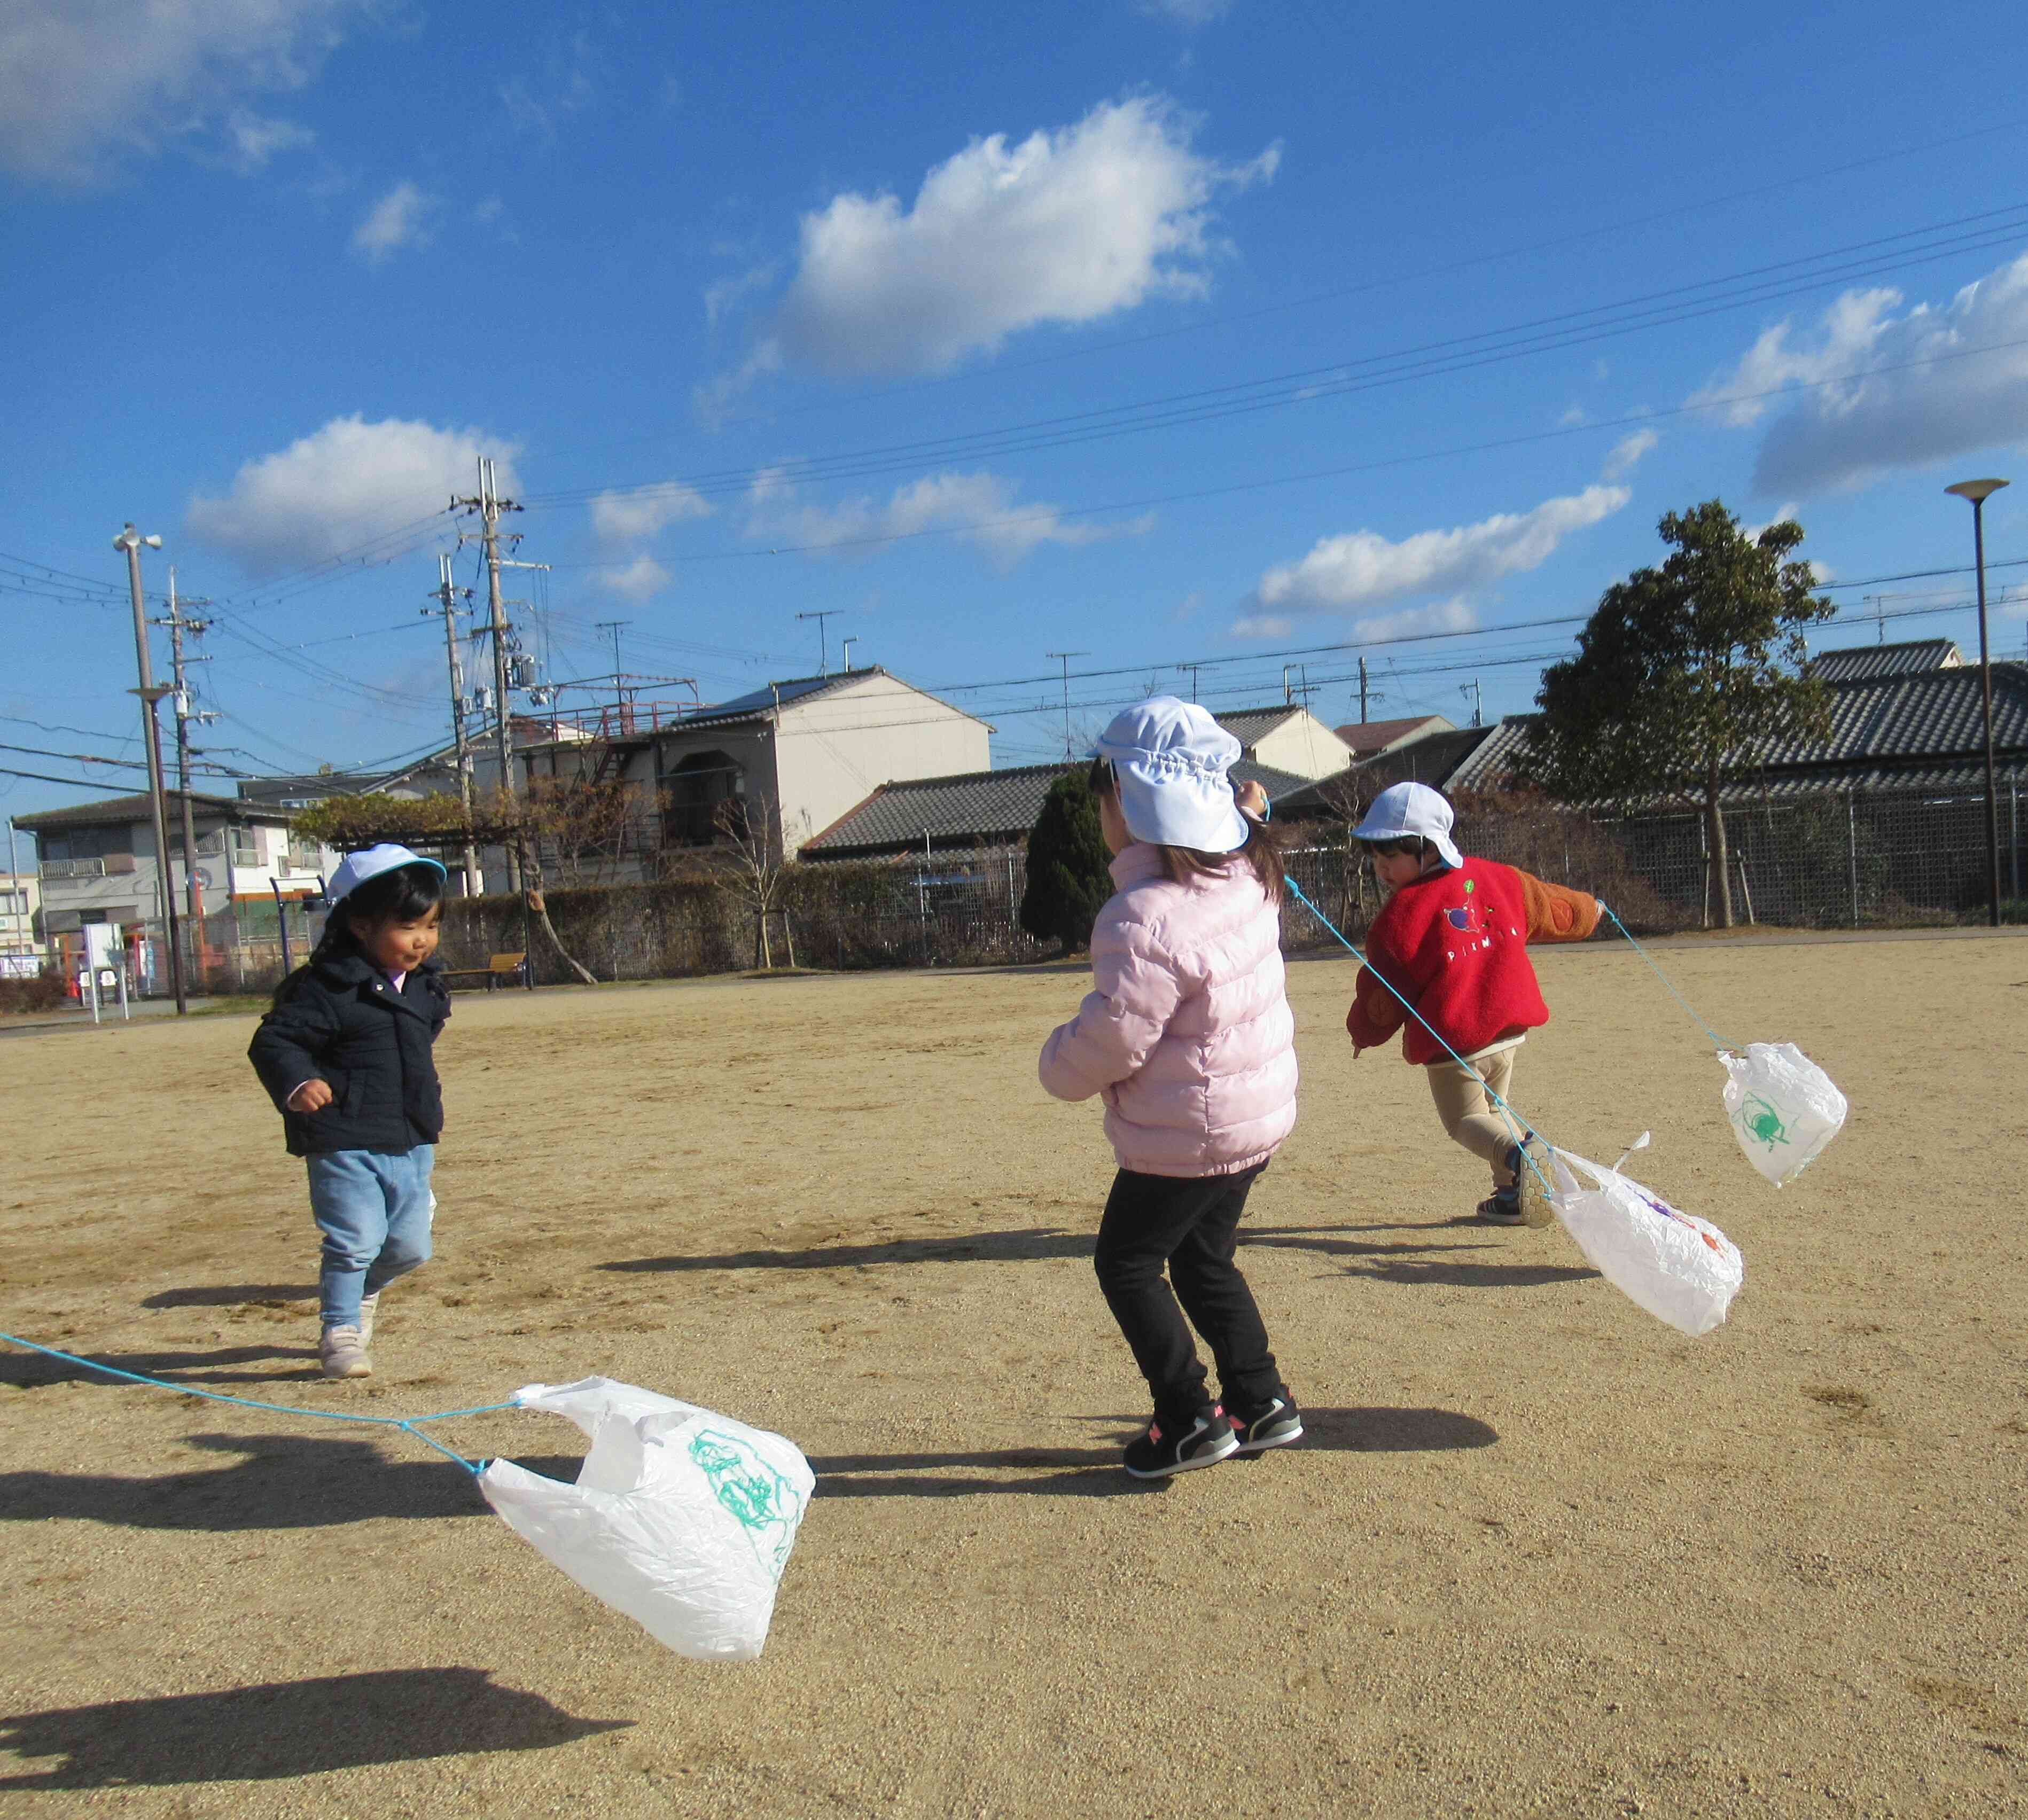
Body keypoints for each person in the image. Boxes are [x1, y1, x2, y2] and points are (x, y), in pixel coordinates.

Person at [1039, 698, 1301, 1479]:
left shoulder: (1140, 917)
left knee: (1125, 1262)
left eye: (1103, 795)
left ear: (1127, 799)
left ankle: (1187, 1415)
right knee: (1205, 1257)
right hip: (1252, 1122)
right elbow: (1247, 818)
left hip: (1189, 1133)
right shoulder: (1250, 873)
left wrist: (1058, 1062)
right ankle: (1261, 1399)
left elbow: (1116, 1038)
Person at [1345, 783, 1600, 1224]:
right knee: (1496, 1111)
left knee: (1465, 1121)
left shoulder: (1400, 918)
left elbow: (1385, 995)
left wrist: (1362, 1032)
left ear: (1426, 849)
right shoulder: (1498, 877)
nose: (1382, 868)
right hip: (1508, 1031)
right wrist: (1591, 910)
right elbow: (1548, 905)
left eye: (1391, 856)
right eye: (1376, 857)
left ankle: (1521, 1160)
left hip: (1457, 1040)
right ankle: (1510, 1194)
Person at [248, 845, 453, 1380]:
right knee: (355, 1238)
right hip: (342, 1136)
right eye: (408, 925)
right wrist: (299, 1082)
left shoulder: (428, 987)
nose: (422, 939)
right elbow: (275, 1042)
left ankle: (362, 1290)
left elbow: (421, 1035)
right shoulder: (324, 988)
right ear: (360, 925)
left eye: (431, 926)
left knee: (410, 1248)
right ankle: (339, 1330)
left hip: (411, 1135)